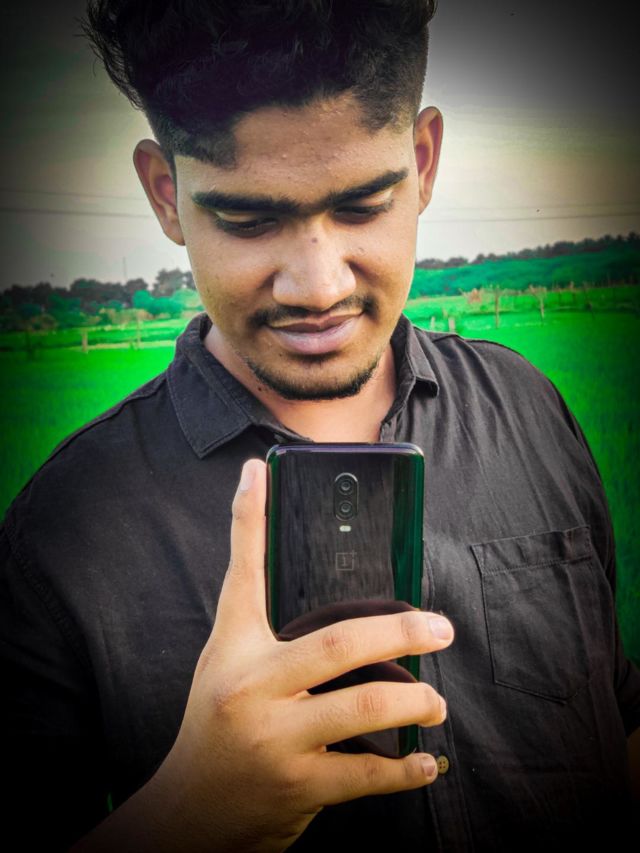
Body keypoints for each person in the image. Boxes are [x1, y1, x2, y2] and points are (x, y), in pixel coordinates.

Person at [2, 1, 639, 850]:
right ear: (166, 194)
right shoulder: (61, 533)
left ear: (422, 161)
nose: (318, 286)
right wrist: (186, 818)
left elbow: (617, 718)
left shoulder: (529, 407)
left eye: (363, 206)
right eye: (248, 220)